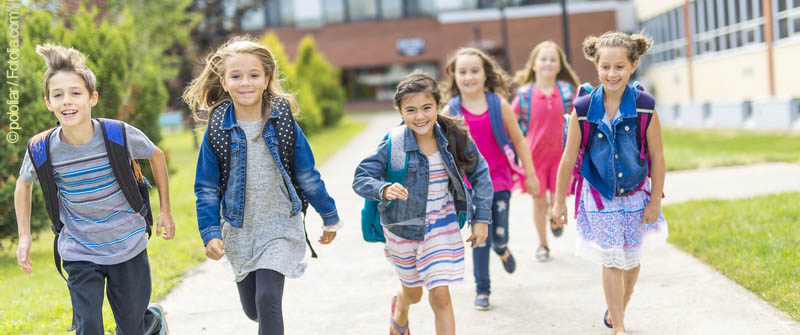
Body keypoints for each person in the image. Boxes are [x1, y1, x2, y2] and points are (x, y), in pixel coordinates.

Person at [186, 36, 342, 335]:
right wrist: (210, 233)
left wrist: (330, 216)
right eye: (237, 76)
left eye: (254, 75)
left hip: (280, 225)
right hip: (238, 229)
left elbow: (307, 174)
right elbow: (206, 187)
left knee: (268, 298)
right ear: (225, 81)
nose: (246, 82)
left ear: (267, 78)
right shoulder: (217, 128)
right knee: (253, 308)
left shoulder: (282, 121)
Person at [15, 44, 174, 335]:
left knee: (132, 328)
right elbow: (23, 184)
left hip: (127, 244)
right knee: (88, 326)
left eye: (76, 93)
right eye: (58, 95)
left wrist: (165, 210)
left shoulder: (117, 134)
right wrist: (24, 237)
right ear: (48, 102)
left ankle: (151, 322)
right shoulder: (41, 148)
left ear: (92, 98)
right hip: (79, 248)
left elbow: (156, 155)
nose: (67, 101)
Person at [353, 70, 493, 335]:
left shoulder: (456, 137)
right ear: (400, 111)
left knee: (440, 294)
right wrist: (383, 188)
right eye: (411, 110)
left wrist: (482, 218)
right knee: (414, 293)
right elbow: (361, 176)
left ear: (438, 105)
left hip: (441, 228)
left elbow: (481, 173)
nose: (420, 116)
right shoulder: (393, 143)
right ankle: (401, 306)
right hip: (401, 230)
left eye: (427, 108)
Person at [551, 31, 668, 335]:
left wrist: (655, 200)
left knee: (631, 260)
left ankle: (619, 307)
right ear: (596, 66)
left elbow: (657, 154)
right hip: (600, 194)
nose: (611, 73)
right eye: (605, 67)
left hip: (636, 194)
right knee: (612, 258)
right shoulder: (583, 108)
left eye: (619, 67)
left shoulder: (644, 106)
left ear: (633, 65)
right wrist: (558, 201)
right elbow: (567, 158)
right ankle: (618, 326)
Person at [441, 47, 539, 310]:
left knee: (499, 235)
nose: (469, 77)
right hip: (470, 186)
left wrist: (530, 174)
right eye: (463, 72)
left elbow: (519, 139)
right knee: (479, 235)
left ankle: (503, 249)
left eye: (475, 71)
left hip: (499, 180)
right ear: (454, 76)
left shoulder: (498, 104)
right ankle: (482, 290)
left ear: (486, 74)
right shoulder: (449, 110)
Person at [511, 40, 580, 262]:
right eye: (543, 59)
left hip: (562, 156)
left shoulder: (568, 92)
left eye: (553, 59)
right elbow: (511, 123)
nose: (548, 63)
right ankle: (543, 244)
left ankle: (554, 216)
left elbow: (579, 120)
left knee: (557, 198)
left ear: (559, 66)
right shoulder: (524, 95)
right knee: (539, 200)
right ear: (533, 65)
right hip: (534, 157)